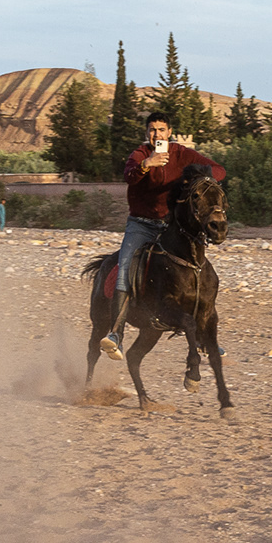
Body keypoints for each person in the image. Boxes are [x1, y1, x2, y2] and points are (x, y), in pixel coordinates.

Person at [104, 111, 225, 358]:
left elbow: (218, 169)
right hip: (140, 224)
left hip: (171, 225)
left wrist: (204, 177)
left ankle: (205, 337)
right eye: (152, 130)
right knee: (125, 269)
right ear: (146, 133)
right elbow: (129, 176)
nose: (156, 134)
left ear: (169, 132)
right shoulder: (139, 154)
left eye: (161, 130)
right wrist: (147, 165)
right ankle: (116, 333)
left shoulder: (182, 154)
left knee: (202, 270)